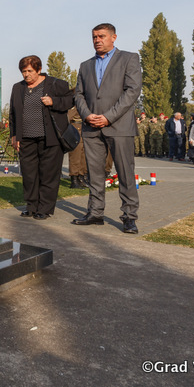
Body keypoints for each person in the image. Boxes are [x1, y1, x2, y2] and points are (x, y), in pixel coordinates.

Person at [73, 23, 142, 234]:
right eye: (94, 37)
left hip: (119, 126)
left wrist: (108, 117)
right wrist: (87, 115)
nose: (97, 40)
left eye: (101, 36)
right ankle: (95, 213)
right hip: (91, 127)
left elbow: (132, 91)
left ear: (114, 37)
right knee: (94, 174)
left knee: (125, 173)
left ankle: (129, 217)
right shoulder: (85, 65)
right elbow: (79, 95)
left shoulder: (129, 58)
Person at [9, 56, 74, 220]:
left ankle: (44, 208)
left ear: (39, 70)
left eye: (30, 71)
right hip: (26, 138)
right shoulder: (18, 88)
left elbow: (71, 100)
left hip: (50, 138)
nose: (26, 74)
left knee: (48, 174)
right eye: (23, 71)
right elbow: (12, 113)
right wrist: (14, 135)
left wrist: (54, 101)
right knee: (29, 174)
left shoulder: (56, 84)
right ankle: (31, 206)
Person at [67, 107, 88, 188]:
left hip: (83, 127)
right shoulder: (74, 103)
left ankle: (81, 176)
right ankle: (74, 179)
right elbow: (69, 117)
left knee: (83, 155)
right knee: (75, 155)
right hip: (75, 128)